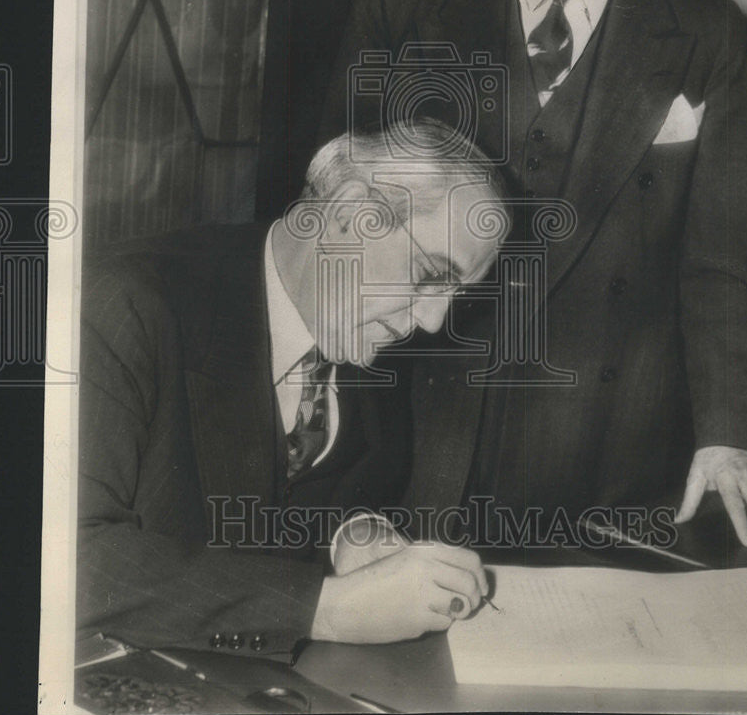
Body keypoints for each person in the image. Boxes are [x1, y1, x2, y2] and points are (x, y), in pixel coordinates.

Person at [322, 0, 747, 549]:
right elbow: (330, 211)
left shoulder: (713, 38)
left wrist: (729, 432)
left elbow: (725, 264)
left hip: (601, 443)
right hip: (411, 413)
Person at [76, 119, 507, 655]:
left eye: (455, 293)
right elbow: (69, 561)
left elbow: (324, 488)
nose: (435, 320)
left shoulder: (355, 324)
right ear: (351, 211)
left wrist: (355, 537)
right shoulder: (120, 306)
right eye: (429, 274)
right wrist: (325, 609)